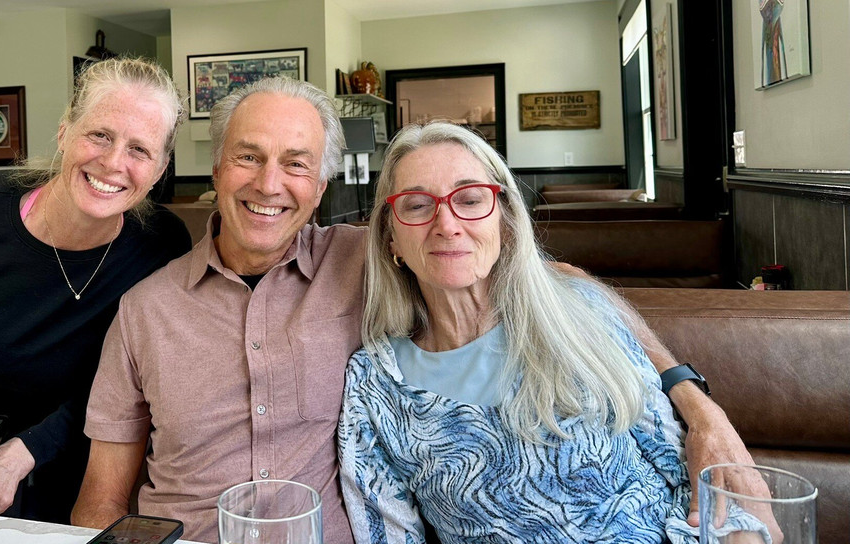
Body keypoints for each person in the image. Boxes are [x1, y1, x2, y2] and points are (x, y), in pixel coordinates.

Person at [73, 78, 756, 544]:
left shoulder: (374, 255)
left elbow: (566, 286)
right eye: (248, 157)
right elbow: (103, 497)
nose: (269, 183)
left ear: (321, 185)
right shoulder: (144, 311)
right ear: (216, 170)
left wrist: (695, 400)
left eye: (297, 164)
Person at [338, 120, 697, 543]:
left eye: (470, 200)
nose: (447, 224)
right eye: (417, 205)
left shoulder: (579, 310)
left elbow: (686, 473)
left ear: (505, 222)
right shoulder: (375, 384)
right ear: (391, 239)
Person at [0, 56, 193, 523]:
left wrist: (30, 448)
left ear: (161, 166)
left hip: (90, 453)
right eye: (100, 135)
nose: (114, 163)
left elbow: (140, 377)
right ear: (65, 132)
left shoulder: (161, 245)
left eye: (139, 149)